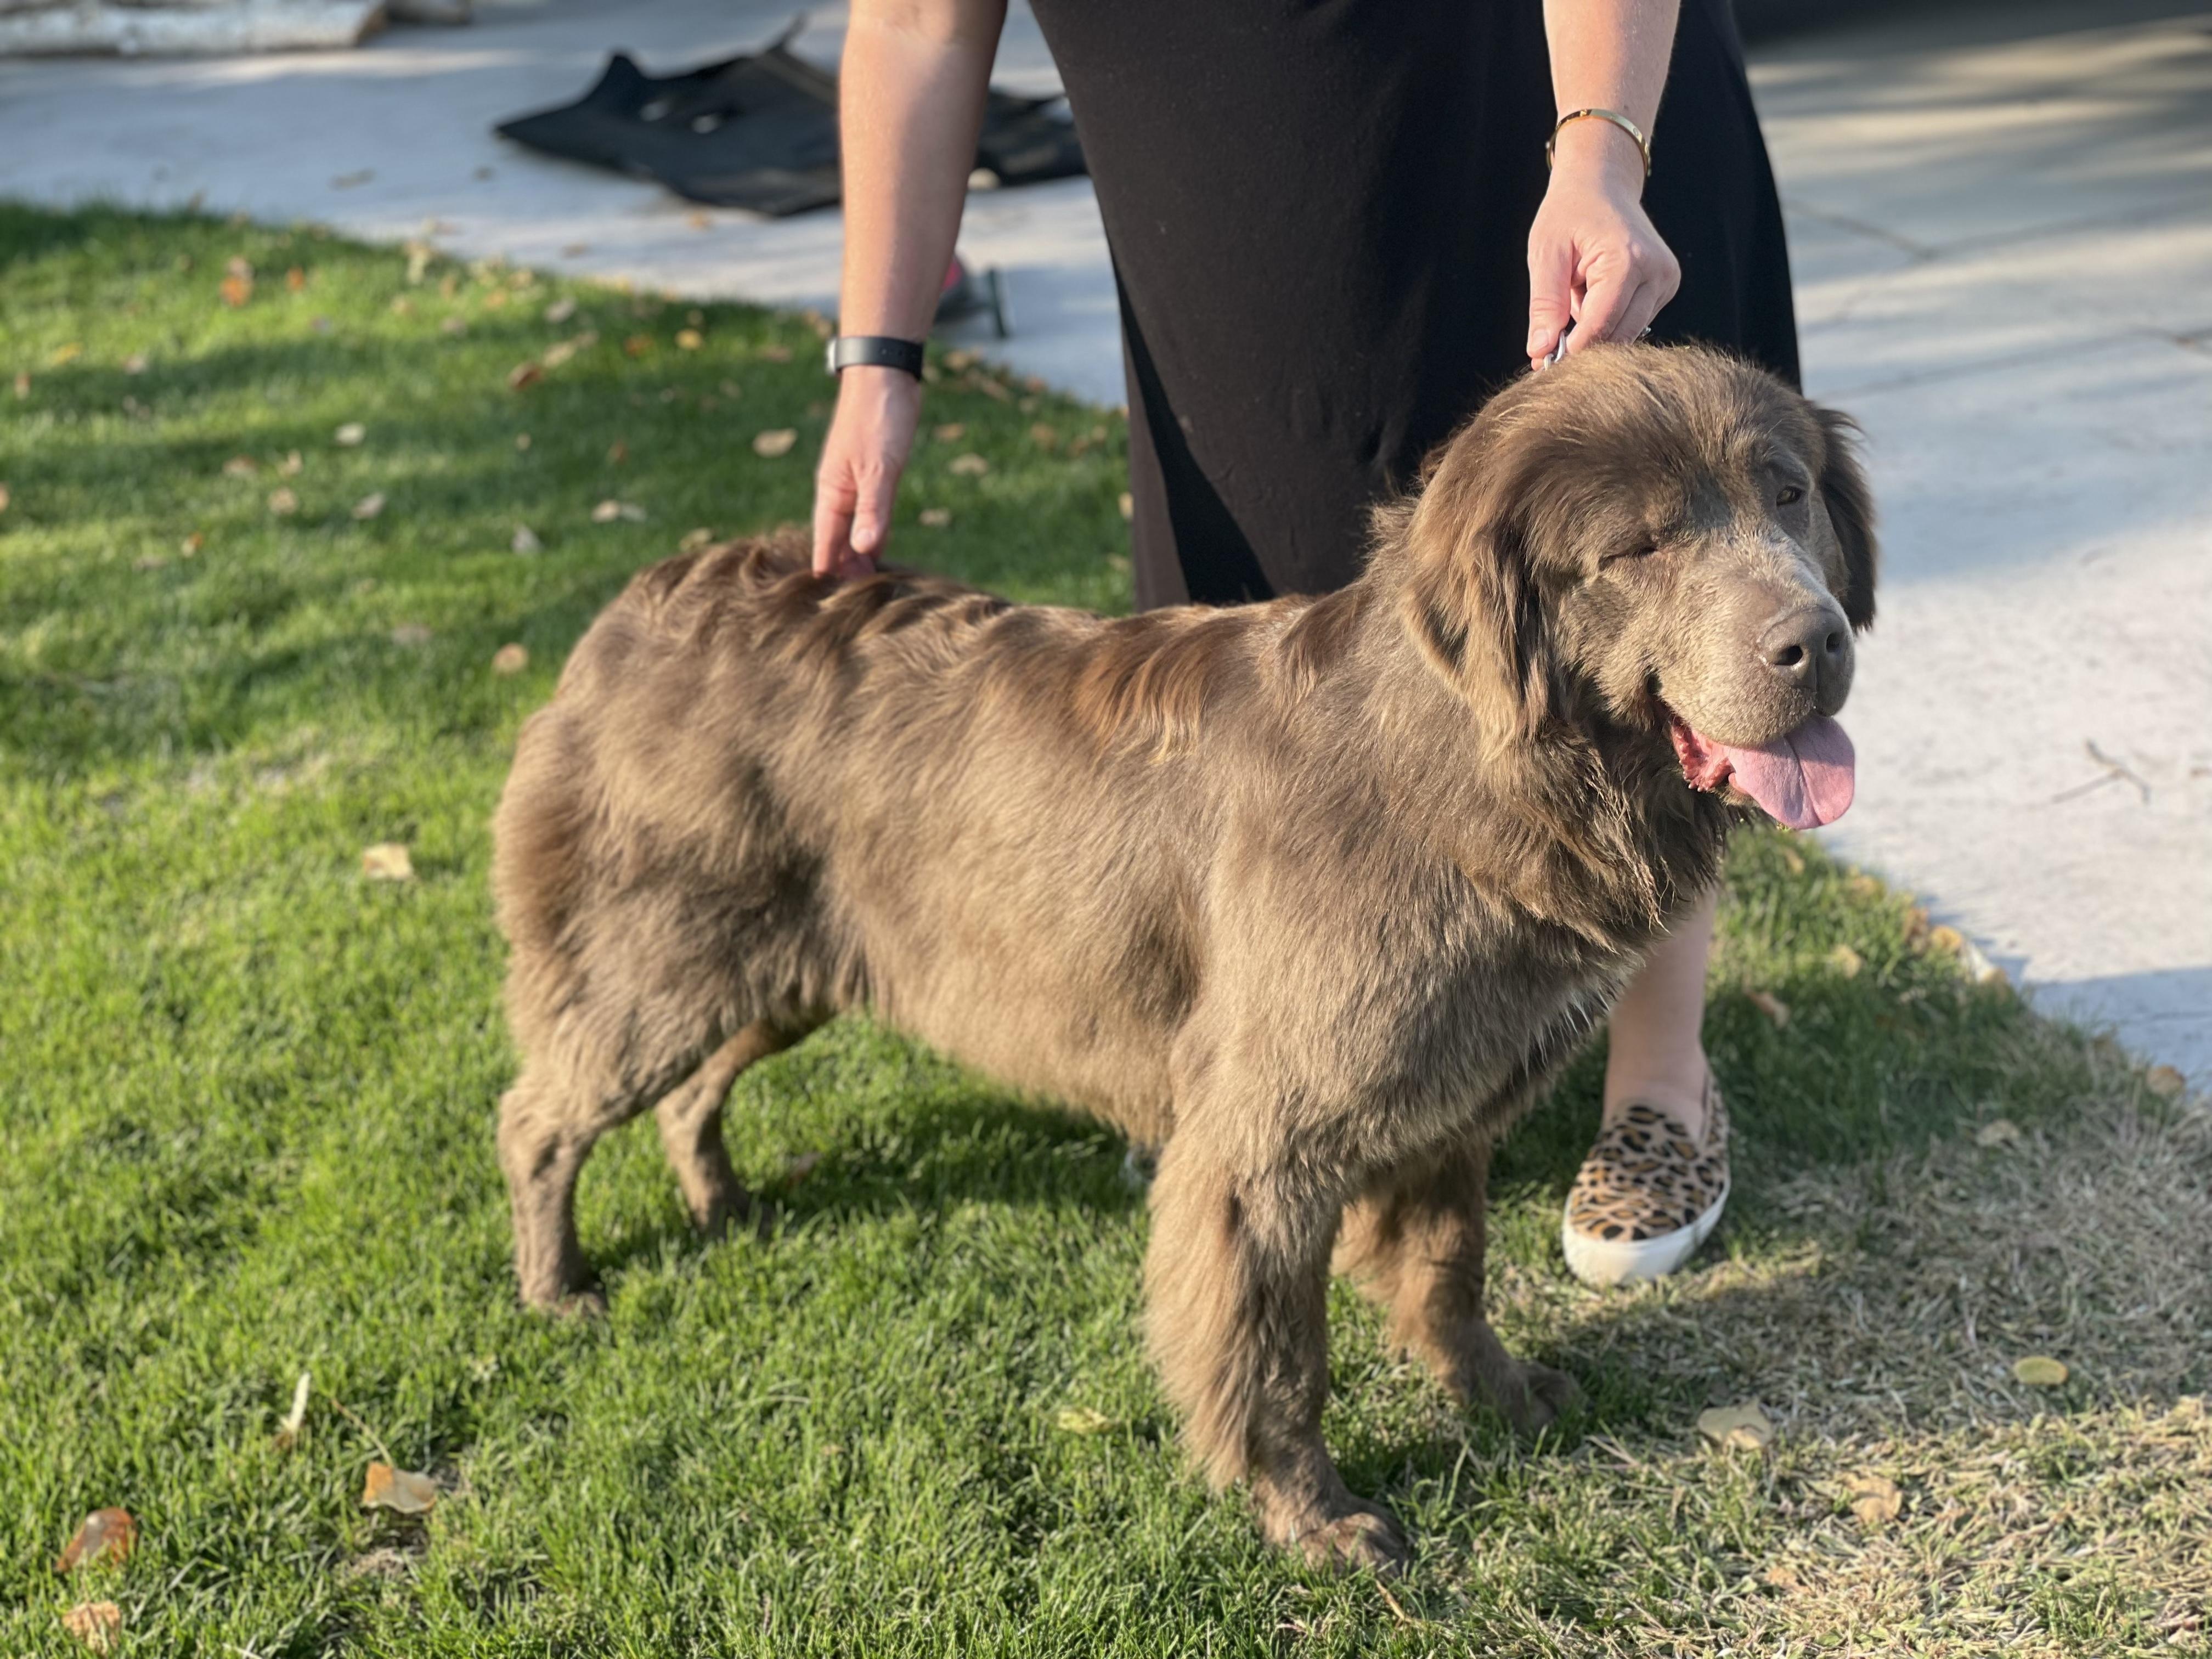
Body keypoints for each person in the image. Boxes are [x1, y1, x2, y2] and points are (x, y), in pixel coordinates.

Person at [810, 0, 1798, 1287]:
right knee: (1282, 701)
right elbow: (915, 29)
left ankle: (1657, 1082)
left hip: (1566, 113)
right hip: (1230, 225)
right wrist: (877, 359)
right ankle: (1295, 1051)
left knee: (1635, 618)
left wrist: (1600, 154)